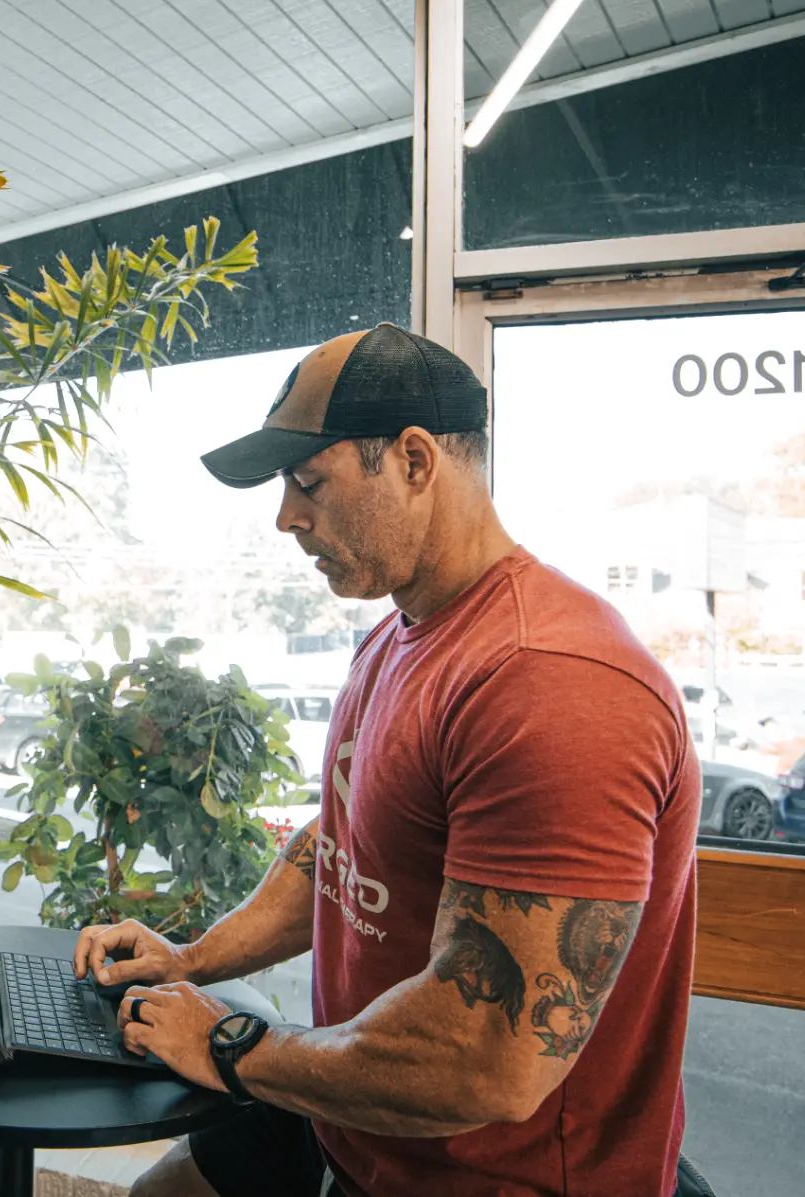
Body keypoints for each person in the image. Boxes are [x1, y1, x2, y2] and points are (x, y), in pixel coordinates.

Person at [76, 323, 700, 1197]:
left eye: (308, 482)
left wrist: (230, 1043)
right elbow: (344, 847)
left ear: (413, 460)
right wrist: (192, 958)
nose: (286, 517)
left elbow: (486, 1062)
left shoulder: (548, 681)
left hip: (489, 1174)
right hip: (361, 1115)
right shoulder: (399, 637)